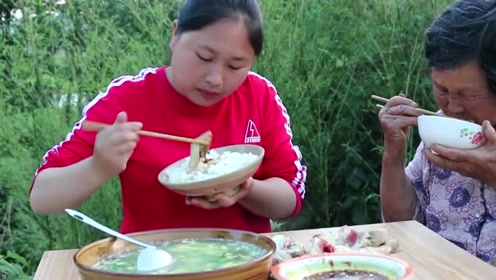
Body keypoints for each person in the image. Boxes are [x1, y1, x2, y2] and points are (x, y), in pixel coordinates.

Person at [28, 0, 307, 234]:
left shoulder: (259, 96)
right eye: (204, 57)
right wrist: (99, 166)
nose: (215, 79)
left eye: (236, 66)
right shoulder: (126, 100)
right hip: (152, 264)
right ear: (175, 35)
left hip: (245, 264)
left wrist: (245, 188)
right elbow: (42, 198)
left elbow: (290, 200)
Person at [379, 0, 496, 265]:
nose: (452, 107)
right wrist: (393, 153)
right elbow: (404, 223)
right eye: (441, 90)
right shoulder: (441, 130)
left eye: (467, 95)